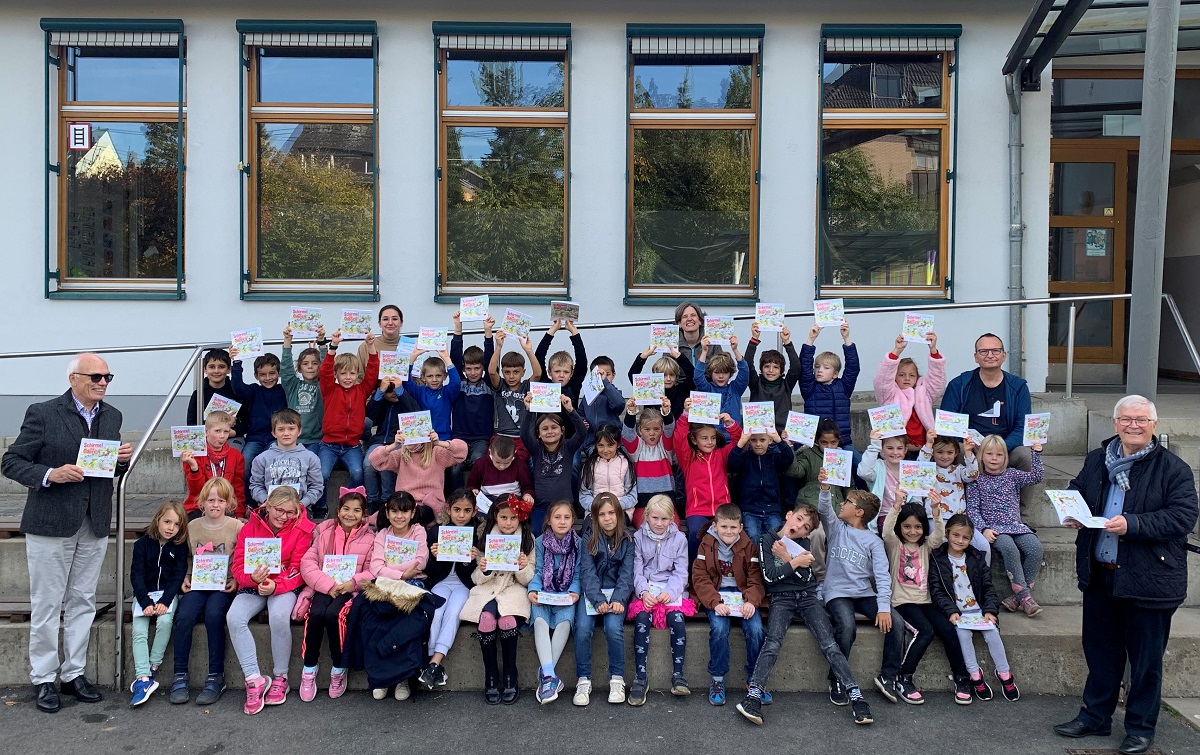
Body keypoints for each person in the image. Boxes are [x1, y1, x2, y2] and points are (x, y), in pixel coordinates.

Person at [1054, 396, 1198, 755]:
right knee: (1100, 652)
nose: (1134, 425)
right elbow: (1079, 489)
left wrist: (1132, 524)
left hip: (1150, 579)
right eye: (1127, 419)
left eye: (1141, 420)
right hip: (1102, 574)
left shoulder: (1173, 468)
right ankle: (1096, 717)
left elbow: (1183, 517)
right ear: (1115, 423)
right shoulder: (1096, 460)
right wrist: (1072, 508)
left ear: (1153, 424)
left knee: (1146, 660)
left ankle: (1140, 727)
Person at [2, 353, 132, 713]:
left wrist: (121, 463)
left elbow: (104, 470)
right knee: (47, 604)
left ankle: (74, 673)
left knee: (83, 601)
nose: (103, 382)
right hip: (51, 520)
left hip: (93, 521)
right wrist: (49, 474)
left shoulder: (112, 416)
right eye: (95, 376)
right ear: (73, 378)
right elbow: (11, 461)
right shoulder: (43, 412)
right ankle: (44, 678)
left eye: (108, 376)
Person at [736, 498, 872, 726]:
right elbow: (770, 577)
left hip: (808, 598)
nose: (799, 527)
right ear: (789, 515)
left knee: (829, 644)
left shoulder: (805, 545)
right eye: (798, 519)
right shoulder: (765, 540)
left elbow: (806, 578)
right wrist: (794, 563)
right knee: (772, 643)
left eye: (806, 527)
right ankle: (753, 697)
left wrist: (788, 559)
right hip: (781, 599)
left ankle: (857, 698)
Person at [816, 470, 902, 706]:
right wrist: (825, 488)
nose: (841, 504)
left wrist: (883, 607)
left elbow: (882, 577)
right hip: (836, 593)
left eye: (847, 502)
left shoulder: (874, 541)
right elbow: (824, 510)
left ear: (859, 512)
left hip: (864, 594)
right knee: (846, 626)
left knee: (897, 623)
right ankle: (836, 678)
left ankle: (888, 677)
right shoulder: (836, 528)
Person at [226, 486, 315, 715]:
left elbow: (299, 569)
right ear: (267, 506)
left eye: (290, 512)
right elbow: (237, 567)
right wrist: (252, 579)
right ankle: (254, 679)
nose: (284, 517)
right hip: (254, 585)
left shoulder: (303, 530)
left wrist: (277, 585)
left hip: (284, 585)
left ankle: (281, 676)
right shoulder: (249, 529)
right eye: (279, 510)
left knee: (278, 616)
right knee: (234, 617)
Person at [882, 497, 973, 705]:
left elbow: (939, 535)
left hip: (926, 600)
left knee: (950, 630)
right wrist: (896, 505)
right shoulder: (895, 544)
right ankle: (904, 678)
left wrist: (935, 509)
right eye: (907, 526)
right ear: (900, 527)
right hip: (903, 602)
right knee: (925, 631)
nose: (912, 531)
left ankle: (961, 677)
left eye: (918, 527)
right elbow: (887, 531)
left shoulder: (927, 546)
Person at [930, 513, 1020, 704]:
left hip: (978, 610)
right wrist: (951, 612)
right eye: (956, 535)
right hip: (957, 611)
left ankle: (1004, 673)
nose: (960, 540)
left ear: (971, 539)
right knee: (963, 635)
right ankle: (974, 674)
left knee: (993, 633)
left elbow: (988, 587)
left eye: (965, 537)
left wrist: (990, 611)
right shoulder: (937, 558)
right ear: (947, 534)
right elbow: (937, 590)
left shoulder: (977, 558)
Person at [296, 488, 375, 702]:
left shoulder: (371, 538)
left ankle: (339, 668)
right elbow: (308, 563)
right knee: (315, 615)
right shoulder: (324, 534)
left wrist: (354, 583)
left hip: (351, 589)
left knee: (334, 616)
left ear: (364, 514)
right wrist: (328, 585)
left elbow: (373, 569)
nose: (351, 514)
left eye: (357, 510)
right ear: (338, 511)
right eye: (346, 509)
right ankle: (309, 669)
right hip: (326, 586)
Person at [169, 477, 243, 706]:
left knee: (213, 616)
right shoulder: (192, 527)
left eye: (221, 500)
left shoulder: (236, 527)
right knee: (184, 616)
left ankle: (215, 676)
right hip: (198, 584)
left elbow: (242, 558)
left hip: (225, 585)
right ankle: (179, 674)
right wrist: (184, 578)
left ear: (229, 503)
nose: (215, 505)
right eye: (211, 500)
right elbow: (185, 558)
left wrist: (237, 581)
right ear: (202, 502)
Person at [460, 494, 535, 705]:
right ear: (496, 517)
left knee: (507, 620)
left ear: (520, 518)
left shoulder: (528, 539)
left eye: (513, 518)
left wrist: (523, 567)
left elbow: (531, 578)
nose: (509, 523)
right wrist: (485, 569)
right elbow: (476, 578)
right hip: (489, 590)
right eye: (504, 518)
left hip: (513, 590)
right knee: (486, 619)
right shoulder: (486, 540)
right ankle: (491, 675)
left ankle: (511, 672)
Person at [691, 504, 766, 707]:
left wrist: (751, 600)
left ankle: (755, 679)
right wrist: (714, 602)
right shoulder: (706, 544)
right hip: (716, 596)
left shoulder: (748, 546)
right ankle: (717, 678)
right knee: (719, 628)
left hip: (742, 596)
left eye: (733, 528)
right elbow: (700, 578)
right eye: (724, 527)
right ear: (715, 526)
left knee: (756, 629)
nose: (729, 532)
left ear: (741, 527)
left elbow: (756, 578)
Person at [627, 494, 695, 705]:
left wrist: (671, 591)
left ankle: (678, 675)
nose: (659, 523)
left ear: (672, 519)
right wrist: (643, 592)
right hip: (646, 591)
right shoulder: (637, 538)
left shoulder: (679, 539)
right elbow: (636, 570)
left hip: (669, 592)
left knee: (677, 621)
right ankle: (640, 677)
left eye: (664, 519)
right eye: (655, 518)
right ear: (646, 516)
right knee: (641, 621)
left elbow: (681, 572)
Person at [967, 435, 1045, 616]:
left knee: (1035, 548)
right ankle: (1025, 597)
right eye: (989, 454)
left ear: (1006, 457)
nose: (994, 458)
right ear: (981, 456)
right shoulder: (976, 479)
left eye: (999, 455)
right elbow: (972, 509)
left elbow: (1036, 476)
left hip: (1016, 526)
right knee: (1010, 549)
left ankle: (1017, 597)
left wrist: (1036, 453)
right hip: (994, 528)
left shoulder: (1012, 475)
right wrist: (983, 529)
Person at [573, 493, 635, 706]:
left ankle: (617, 679)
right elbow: (587, 573)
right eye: (602, 514)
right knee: (582, 629)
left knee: (613, 629)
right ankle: (583, 680)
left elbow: (627, 575)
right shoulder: (588, 539)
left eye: (611, 513)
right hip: (592, 594)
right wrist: (597, 599)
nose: (608, 518)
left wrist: (619, 598)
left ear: (619, 514)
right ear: (594, 517)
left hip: (617, 594)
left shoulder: (627, 540)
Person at [940, 333, 1032, 469]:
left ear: (1004, 355)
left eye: (995, 350)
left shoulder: (1018, 387)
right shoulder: (959, 385)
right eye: (983, 351)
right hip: (970, 446)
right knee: (956, 450)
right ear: (976, 357)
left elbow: (1022, 427)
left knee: (1026, 455)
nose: (990, 355)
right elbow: (947, 425)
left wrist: (999, 449)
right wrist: (970, 444)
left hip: (1006, 448)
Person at [418, 489, 480, 691]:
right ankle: (432, 663)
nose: (461, 515)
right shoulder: (437, 531)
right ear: (448, 510)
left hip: (463, 584)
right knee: (436, 612)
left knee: (453, 612)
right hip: (441, 582)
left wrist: (471, 560)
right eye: (457, 510)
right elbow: (428, 570)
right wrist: (434, 555)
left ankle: (434, 663)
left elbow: (475, 575)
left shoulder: (478, 533)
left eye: (466, 510)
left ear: (474, 512)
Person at [128, 501, 189, 707]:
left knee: (164, 623)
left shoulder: (179, 548)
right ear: (157, 520)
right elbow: (136, 575)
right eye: (167, 521)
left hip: (167, 595)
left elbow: (177, 577)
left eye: (177, 524)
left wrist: (164, 601)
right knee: (139, 629)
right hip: (144, 595)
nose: (171, 528)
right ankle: (143, 678)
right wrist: (145, 601)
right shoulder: (141, 545)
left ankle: (153, 665)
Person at [315, 329, 379, 518]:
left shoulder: (362, 390)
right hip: (329, 445)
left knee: (358, 473)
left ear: (357, 374)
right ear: (337, 375)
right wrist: (333, 346)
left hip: (352, 446)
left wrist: (371, 346)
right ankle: (321, 505)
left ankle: (349, 507)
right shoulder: (329, 389)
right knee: (323, 474)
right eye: (343, 373)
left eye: (352, 373)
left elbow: (372, 373)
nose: (348, 377)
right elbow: (325, 371)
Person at [673, 401, 742, 563]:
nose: (710, 442)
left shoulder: (722, 453)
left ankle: (726, 574)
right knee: (696, 535)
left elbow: (739, 442)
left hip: (722, 508)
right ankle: (690, 574)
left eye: (712, 437)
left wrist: (730, 424)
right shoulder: (688, 457)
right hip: (697, 510)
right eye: (704, 438)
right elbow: (678, 439)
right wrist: (685, 415)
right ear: (694, 440)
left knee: (733, 536)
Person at [528, 499, 582, 704]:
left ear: (573, 520)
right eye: (557, 517)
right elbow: (539, 571)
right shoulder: (540, 542)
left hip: (566, 593)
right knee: (540, 621)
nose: (562, 521)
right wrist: (533, 590)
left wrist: (575, 593)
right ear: (548, 520)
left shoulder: (578, 544)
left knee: (564, 622)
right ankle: (550, 677)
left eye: (567, 517)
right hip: (544, 591)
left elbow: (577, 575)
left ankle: (546, 675)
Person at [521, 394, 586, 533]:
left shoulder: (568, 448)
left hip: (564, 507)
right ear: (538, 434)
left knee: (561, 534)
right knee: (534, 531)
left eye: (554, 427)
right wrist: (528, 410)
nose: (550, 431)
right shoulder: (536, 450)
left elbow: (582, 433)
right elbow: (525, 435)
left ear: (562, 431)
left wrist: (570, 410)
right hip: (540, 507)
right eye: (545, 429)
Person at [873, 333, 945, 457]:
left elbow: (937, 380)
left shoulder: (924, 392)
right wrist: (897, 351)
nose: (907, 378)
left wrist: (933, 350)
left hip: (924, 450)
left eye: (911, 375)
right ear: (894, 377)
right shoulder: (889, 394)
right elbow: (883, 379)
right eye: (901, 375)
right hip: (896, 452)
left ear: (917, 377)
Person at [369, 430, 468, 516]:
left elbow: (462, 451)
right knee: (385, 514)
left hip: (429, 505)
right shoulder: (401, 455)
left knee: (421, 513)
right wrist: (394, 445)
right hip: (404, 503)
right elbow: (374, 460)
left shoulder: (436, 453)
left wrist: (438, 442)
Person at [800, 321, 860, 456]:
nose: (819, 371)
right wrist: (811, 339)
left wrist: (846, 339)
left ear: (835, 374)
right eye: (817, 367)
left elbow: (853, 368)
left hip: (841, 444)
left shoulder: (843, 387)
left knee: (860, 466)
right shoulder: (809, 388)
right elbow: (804, 367)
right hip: (814, 445)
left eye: (826, 368)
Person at [450, 313, 496, 487]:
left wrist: (488, 331)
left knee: (479, 462)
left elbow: (491, 359)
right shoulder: (458, 384)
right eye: (469, 368)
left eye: (477, 368)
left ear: (483, 367)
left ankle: (476, 497)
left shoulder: (489, 384)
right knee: (455, 467)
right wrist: (457, 327)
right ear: (464, 368)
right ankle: (456, 498)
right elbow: (455, 356)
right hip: (459, 437)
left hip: (481, 438)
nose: (473, 372)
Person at [363, 375, 421, 513]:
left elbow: (415, 411)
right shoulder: (382, 404)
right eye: (390, 391)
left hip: (399, 442)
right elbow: (370, 413)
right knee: (368, 464)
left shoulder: (406, 402)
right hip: (379, 441)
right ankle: (372, 500)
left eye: (396, 390)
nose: (393, 393)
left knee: (387, 465)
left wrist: (401, 392)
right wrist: (380, 392)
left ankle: (386, 499)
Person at [727, 426, 794, 543]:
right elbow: (732, 464)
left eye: (762, 440)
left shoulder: (774, 457)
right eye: (753, 440)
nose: (758, 444)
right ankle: (756, 561)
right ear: (749, 441)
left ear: (770, 440)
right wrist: (741, 442)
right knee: (753, 536)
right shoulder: (745, 457)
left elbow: (788, 458)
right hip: (750, 509)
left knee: (776, 538)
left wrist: (779, 440)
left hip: (772, 509)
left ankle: (771, 561)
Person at [248, 408, 323, 511]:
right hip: (270, 509)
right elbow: (256, 485)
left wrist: (302, 503)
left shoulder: (311, 458)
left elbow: (316, 486)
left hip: (300, 509)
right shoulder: (261, 458)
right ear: (274, 433)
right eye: (281, 429)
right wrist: (266, 501)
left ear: (299, 431)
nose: (286, 433)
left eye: (291, 429)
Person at [230, 350, 288, 482]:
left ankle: (270, 499)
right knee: (244, 463)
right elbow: (238, 387)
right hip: (254, 439)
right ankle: (245, 499)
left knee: (272, 464)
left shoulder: (284, 390)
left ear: (278, 373)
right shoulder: (254, 390)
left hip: (276, 438)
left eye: (272, 373)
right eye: (262, 375)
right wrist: (237, 362)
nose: (268, 378)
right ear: (256, 376)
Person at [621, 397, 676, 528]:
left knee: (674, 528)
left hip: (666, 502)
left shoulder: (665, 447)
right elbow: (628, 434)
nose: (652, 433)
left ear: (661, 430)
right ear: (640, 430)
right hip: (643, 504)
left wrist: (667, 412)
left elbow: (670, 429)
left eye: (656, 429)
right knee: (644, 529)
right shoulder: (637, 449)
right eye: (647, 429)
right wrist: (631, 412)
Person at [181, 410, 246, 518]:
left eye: (226, 432)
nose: (222, 436)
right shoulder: (194, 454)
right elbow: (196, 491)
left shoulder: (236, 456)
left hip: (225, 507)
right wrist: (194, 468)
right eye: (217, 431)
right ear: (206, 432)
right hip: (199, 507)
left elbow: (238, 488)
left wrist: (240, 514)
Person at [488, 330, 542, 448]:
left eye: (516, 372)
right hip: (502, 436)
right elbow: (492, 372)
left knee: (520, 462)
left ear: (523, 372)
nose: (511, 376)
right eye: (507, 372)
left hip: (524, 437)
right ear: (502, 372)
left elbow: (537, 374)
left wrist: (528, 350)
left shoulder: (527, 387)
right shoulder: (500, 386)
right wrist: (499, 346)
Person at [744, 323, 802, 432]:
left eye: (775, 367)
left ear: (781, 371)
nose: (771, 371)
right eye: (766, 366)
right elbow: (747, 364)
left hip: (781, 434)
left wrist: (787, 342)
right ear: (761, 368)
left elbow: (796, 367)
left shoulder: (786, 385)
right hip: (758, 434)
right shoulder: (756, 383)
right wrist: (754, 339)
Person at [691, 337, 750, 440]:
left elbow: (744, 372)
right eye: (717, 373)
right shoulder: (707, 389)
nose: (721, 376)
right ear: (710, 373)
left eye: (725, 373)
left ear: (730, 373)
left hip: (733, 439)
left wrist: (735, 350)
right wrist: (704, 351)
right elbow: (697, 376)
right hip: (712, 441)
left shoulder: (735, 389)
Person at [280, 324, 327, 451]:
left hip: (316, 440)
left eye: (315, 363)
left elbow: (327, 367)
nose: (310, 367)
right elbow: (286, 369)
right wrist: (287, 341)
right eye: (305, 364)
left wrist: (322, 343)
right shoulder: (293, 385)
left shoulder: (324, 385)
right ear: (300, 368)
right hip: (294, 439)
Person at [859, 431, 915, 533]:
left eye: (899, 448)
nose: (895, 452)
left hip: (906, 515)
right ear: (882, 450)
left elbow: (916, 495)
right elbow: (863, 472)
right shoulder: (878, 466)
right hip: (884, 515)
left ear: (905, 449)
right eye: (890, 448)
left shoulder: (910, 469)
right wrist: (874, 445)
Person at [785, 418, 846, 510]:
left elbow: (849, 486)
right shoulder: (808, 454)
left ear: (839, 440)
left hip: (836, 505)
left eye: (833, 442)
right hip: (811, 503)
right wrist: (789, 446)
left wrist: (848, 502)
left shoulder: (843, 457)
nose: (829, 447)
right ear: (817, 440)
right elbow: (795, 471)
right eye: (824, 442)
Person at [578, 423, 637, 518]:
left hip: (621, 511)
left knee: (612, 525)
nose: (605, 450)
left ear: (618, 444)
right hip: (595, 511)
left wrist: (616, 507)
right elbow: (584, 494)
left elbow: (631, 495)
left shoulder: (625, 464)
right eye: (601, 445)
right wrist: (596, 507)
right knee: (594, 529)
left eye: (610, 445)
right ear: (595, 445)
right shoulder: (590, 465)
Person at [467, 435, 534, 515]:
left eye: (506, 463)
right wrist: (473, 490)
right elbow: (472, 483)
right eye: (497, 462)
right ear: (490, 451)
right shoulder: (481, 464)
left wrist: (527, 494)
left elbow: (527, 485)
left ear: (514, 453)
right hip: (487, 500)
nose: (502, 466)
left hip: (511, 499)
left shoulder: (520, 465)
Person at [627, 344, 693, 424]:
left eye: (672, 375)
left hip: (676, 432)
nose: (668, 379)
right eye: (664, 375)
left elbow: (692, 375)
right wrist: (643, 356)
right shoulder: (649, 389)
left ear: (676, 376)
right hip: (653, 431)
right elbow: (633, 375)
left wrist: (679, 357)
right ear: (656, 375)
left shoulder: (681, 390)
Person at [405, 348, 462, 439]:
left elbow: (456, 382)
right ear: (423, 377)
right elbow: (406, 381)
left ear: (445, 376)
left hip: (443, 438)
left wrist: (446, 358)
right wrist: (413, 356)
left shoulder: (447, 393)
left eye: (438, 375)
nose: (434, 379)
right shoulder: (420, 391)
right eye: (430, 376)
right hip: (423, 438)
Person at [185, 348, 241, 432]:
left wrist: (233, 432)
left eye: (221, 367)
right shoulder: (199, 394)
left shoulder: (236, 392)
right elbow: (191, 423)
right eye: (211, 367)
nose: (216, 371)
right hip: (207, 437)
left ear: (229, 369)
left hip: (231, 436)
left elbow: (245, 423)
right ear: (205, 369)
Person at [578, 356, 625, 449]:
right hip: (593, 443)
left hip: (613, 441)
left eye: (607, 374)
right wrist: (583, 421)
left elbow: (619, 404)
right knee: (595, 462)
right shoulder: (587, 397)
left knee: (621, 461)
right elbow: (580, 413)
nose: (603, 377)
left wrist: (605, 383)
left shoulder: (614, 393)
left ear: (613, 375)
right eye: (599, 375)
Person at [673, 301, 722, 390]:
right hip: (681, 391)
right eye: (684, 316)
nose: (689, 319)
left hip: (709, 389)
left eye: (693, 315)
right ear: (679, 323)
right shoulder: (672, 344)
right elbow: (666, 372)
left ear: (700, 320)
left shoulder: (712, 341)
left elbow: (722, 368)